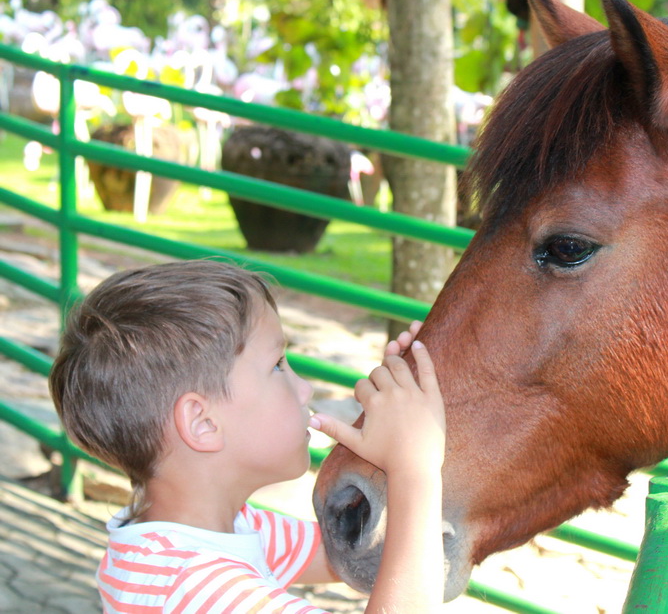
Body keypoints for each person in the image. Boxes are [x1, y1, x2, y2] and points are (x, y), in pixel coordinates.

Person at [48, 259, 446, 613]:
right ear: (202, 423)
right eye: (277, 365)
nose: (304, 389)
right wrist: (416, 471)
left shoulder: (215, 530)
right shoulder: (197, 588)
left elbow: (359, 553)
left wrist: (402, 414)